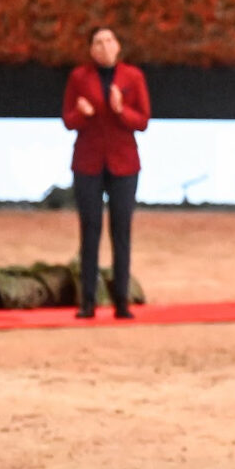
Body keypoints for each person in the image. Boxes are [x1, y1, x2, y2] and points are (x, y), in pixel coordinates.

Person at [62, 26, 150, 318]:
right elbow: (68, 119)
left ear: (118, 46)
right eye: (98, 42)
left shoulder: (133, 76)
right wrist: (82, 113)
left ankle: (122, 301)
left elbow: (142, 120)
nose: (104, 46)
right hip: (88, 163)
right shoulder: (79, 77)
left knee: (121, 231)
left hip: (123, 163)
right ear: (91, 50)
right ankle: (87, 301)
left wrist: (120, 109)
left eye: (109, 40)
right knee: (90, 231)